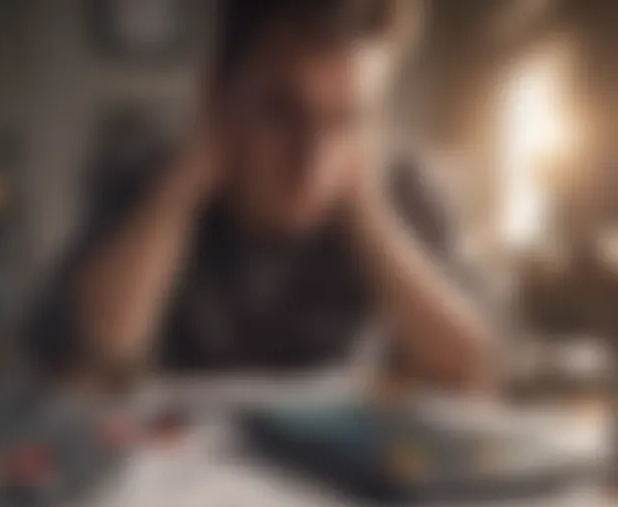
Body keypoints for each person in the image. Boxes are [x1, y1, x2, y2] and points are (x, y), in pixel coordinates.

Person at [27, 0, 495, 392]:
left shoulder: (401, 187)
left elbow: (472, 367)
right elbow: (88, 356)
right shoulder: (145, 175)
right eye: (280, 112)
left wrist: (368, 216)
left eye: (345, 119)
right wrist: (181, 187)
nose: (313, 161)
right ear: (216, 98)